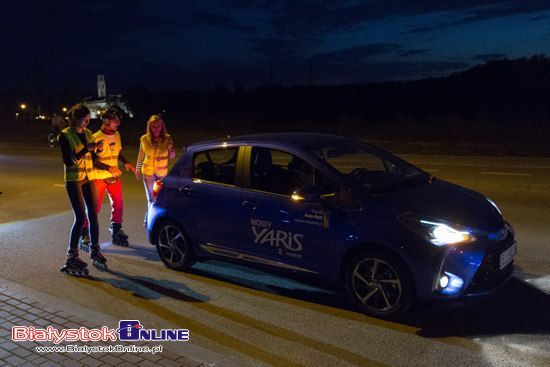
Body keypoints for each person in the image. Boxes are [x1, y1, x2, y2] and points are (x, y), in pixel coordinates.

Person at [57, 103, 107, 275]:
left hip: (88, 177)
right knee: (80, 217)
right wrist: (87, 148)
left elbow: (92, 157)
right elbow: (69, 161)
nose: (87, 123)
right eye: (84, 120)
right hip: (73, 180)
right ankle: (71, 256)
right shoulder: (64, 135)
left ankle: (95, 249)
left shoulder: (88, 133)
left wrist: (97, 150)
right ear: (76, 119)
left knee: (93, 213)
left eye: (88, 120)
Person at [79, 108, 136, 250]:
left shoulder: (117, 135)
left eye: (119, 122)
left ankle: (116, 228)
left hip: (113, 177)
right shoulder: (96, 137)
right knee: (94, 208)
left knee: (118, 204)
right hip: (98, 177)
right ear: (106, 121)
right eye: (115, 121)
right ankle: (84, 233)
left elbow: (118, 152)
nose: (118, 124)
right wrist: (108, 168)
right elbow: (93, 160)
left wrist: (125, 162)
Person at [135, 115, 176, 218]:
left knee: (161, 197)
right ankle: (151, 218)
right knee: (151, 198)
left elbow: (172, 155)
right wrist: (137, 169)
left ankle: (160, 218)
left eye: (158, 126)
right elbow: (141, 154)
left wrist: (172, 153)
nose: (156, 129)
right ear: (150, 127)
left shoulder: (167, 138)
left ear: (162, 127)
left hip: (161, 173)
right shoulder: (144, 139)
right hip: (148, 172)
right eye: (154, 127)